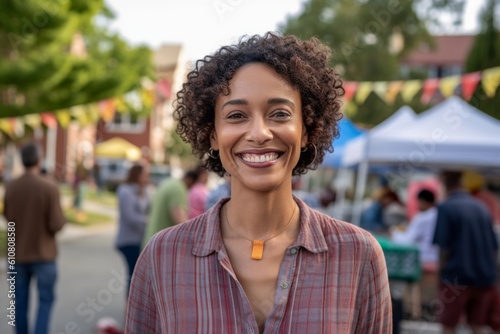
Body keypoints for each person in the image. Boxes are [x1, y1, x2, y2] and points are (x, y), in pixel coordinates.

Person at [126, 32, 391, 333]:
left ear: (306, 129)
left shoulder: (359, 255)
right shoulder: (163, 256)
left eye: (279, 113)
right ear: (213, 134)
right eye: (237, 115)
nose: (259, 133)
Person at [3, 142, 66, 334]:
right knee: (45, 300)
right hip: (43, 253)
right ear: (39, 160)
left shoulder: (11, 186)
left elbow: (8, 216)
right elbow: (56, 224)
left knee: (19, 303)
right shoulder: (49, 186)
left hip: (16, 252)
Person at [433, 171, 498, 334]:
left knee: (449, 325)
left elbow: (443, 248)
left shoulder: (446, 207)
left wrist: (439, 275)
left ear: (445, 185)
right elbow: (494, 247)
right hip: (484, 277)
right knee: (478, 325)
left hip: (456, 277)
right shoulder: (481, 207)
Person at [391, 189, 439, 318]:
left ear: (422, 201)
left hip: (422, 258)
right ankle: (419, 310)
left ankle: (413, 311)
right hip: (437, 258)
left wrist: (393, 233)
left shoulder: (422, 217)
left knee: (410, 282)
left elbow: (408, 240)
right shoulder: (439, 214)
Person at [115, 162, 150, 296]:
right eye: (145, 175)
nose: (147, 178)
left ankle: (132, 303)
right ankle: (130, 306)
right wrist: (148, 221)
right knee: (133, 274)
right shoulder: (125, 190)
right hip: (128, 240)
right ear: (137, 175)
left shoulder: (143, 190)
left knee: (136, 274)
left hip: (140, 239)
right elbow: (129, 217)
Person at [142, 168, 198, 247]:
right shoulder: (178, 188)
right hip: (161, 246)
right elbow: (180, 221)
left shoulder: (169, 182)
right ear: (190, 180)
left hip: (151, 241)